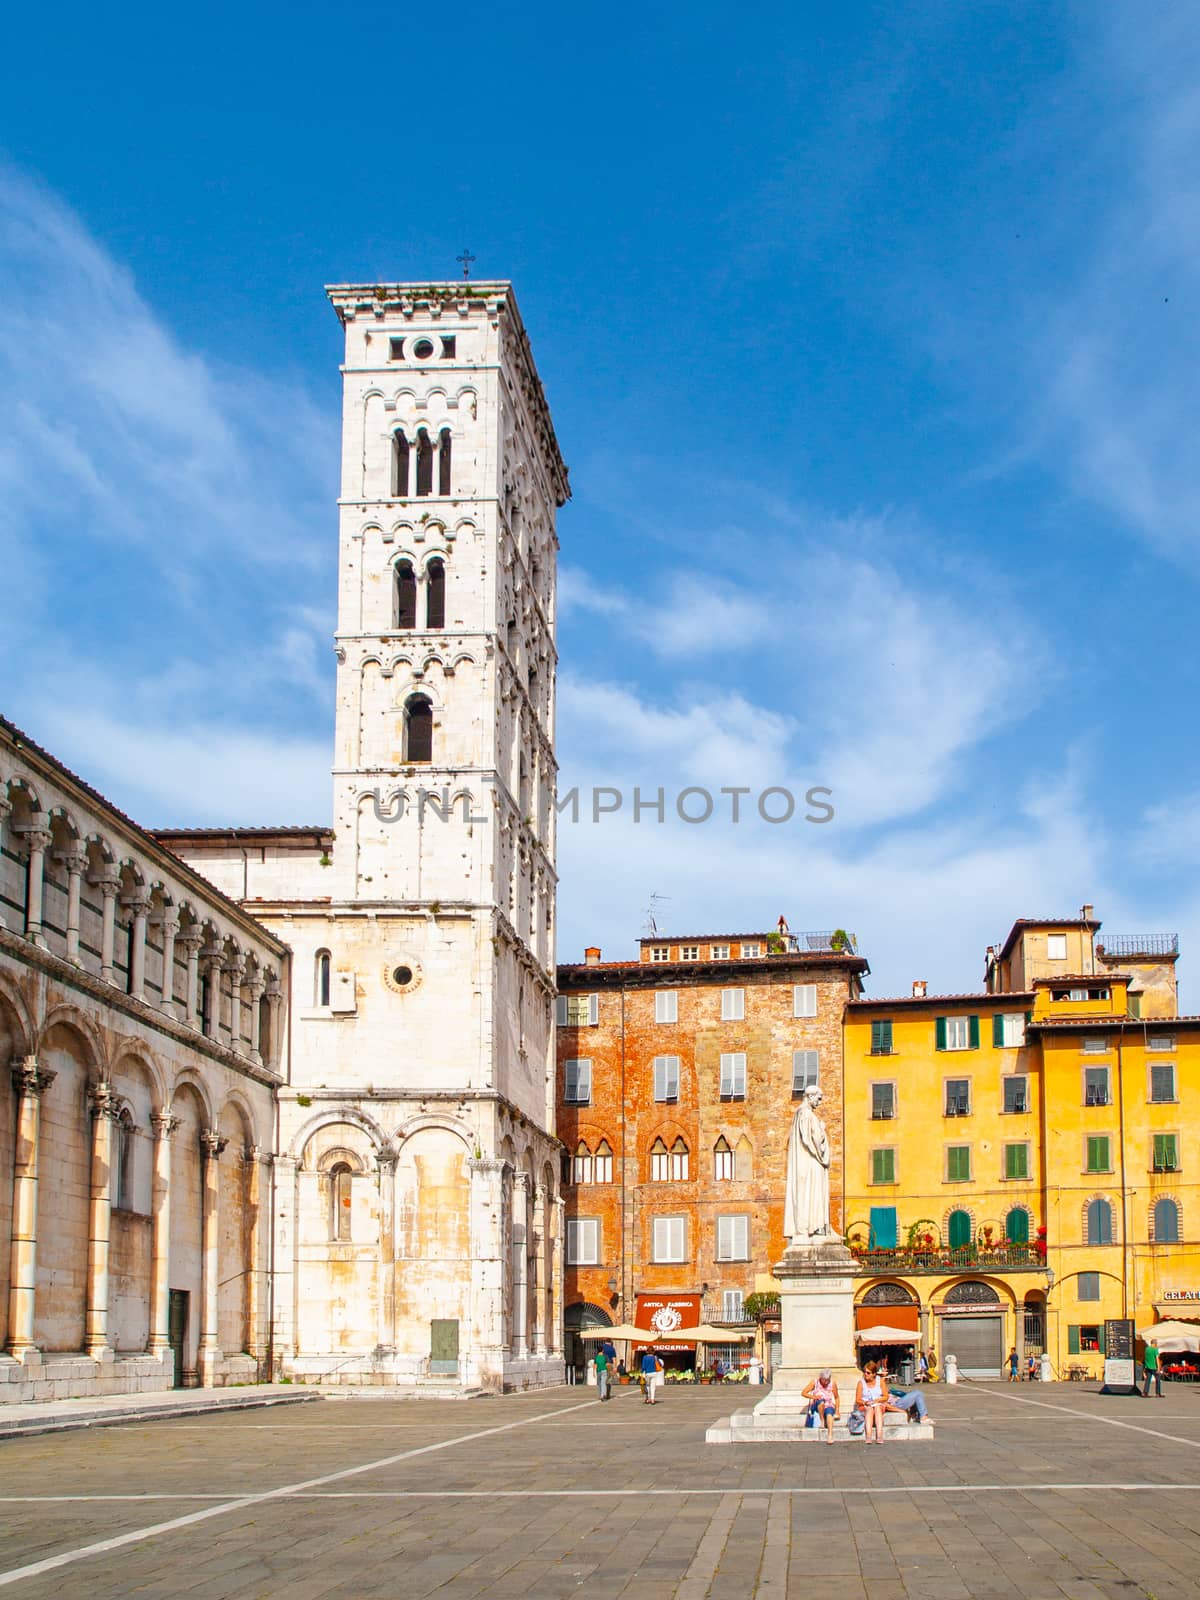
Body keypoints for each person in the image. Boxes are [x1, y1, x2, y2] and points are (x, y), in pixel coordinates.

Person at [785, 1084, 833, 1242]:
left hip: (806, 1162)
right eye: (818, 1099)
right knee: (812, 1193)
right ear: (810, 1096)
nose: (819, 1102)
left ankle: (817, 1227)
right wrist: (822, 1131)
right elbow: (810, 1139)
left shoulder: (800, 1114)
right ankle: (815, 1227)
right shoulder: (806, 1114)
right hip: (811, 1162)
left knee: (809, 1194)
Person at [801, 1370, 840, 1442]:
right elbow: (804, 1393)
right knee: (821, 1402)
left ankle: (830, 1435)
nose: (826, 1382)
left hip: (828, 1403)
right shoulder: (815, 1382)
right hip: (817, 1404)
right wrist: (814, 1397)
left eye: (827, 1380)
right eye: (824, 1380)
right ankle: (822, 1421)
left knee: (829, 1414)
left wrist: (837, 1410)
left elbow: (836, 1397)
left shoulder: (832, 1383)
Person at [856, 1359, 889, 1444]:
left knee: (877, 1408)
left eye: (868, 1373)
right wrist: (865, 1402)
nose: (865, 1374)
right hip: (866, 1405)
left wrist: (877, 1400)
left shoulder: (880, 1381)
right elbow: (858, 1400)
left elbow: (886, 1396)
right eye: (865, 1372)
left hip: (878, 1403)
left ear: (874, 1374)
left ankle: (879, 1435)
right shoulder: (861, 1383)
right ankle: (869, 1436)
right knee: (869, 1409)